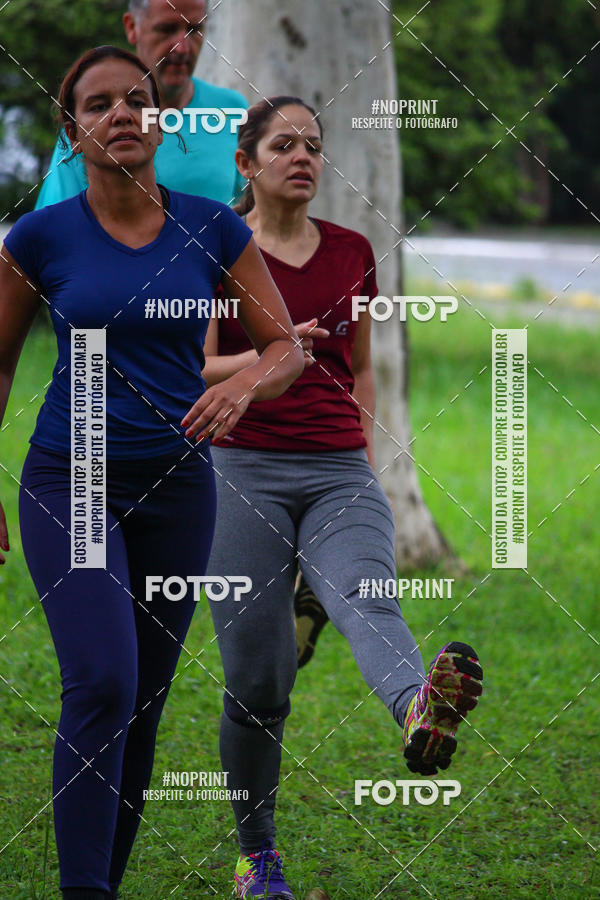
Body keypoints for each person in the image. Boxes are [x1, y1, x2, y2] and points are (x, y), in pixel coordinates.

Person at [0, 48, 303, 900]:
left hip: (178, 490)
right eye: (99, 105)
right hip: (75, 478)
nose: (121, 114)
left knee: (139, 708)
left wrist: (242, 383)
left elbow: (282, 346)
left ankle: (103, 883)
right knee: (102, 678)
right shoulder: (39, 237)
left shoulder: (212, 227)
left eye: (135, 100)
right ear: (73, 131)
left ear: (160, 121)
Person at [202, 97, 484, 899]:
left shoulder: (355, 250)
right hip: (240, 468)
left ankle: (418, 709)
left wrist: (362, 455)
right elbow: (194, 369)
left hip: (336, 470)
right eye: (284, 145)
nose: (304, 158)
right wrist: (274, 355)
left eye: (314, 146)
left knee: (370, 597)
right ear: (246, 163)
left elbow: (356, 368)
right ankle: (257, 857)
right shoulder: (216, 247)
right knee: (259, 685)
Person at [35, 0, 248, 209]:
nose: (182, 48)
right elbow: (55, 233)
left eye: (194, 30)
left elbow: (254, 216)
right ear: (131, 26)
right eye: (167, 29)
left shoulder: (231, 110)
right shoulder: (89, 123)